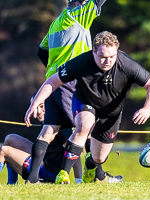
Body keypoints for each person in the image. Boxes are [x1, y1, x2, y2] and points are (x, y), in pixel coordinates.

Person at [25, 31, 150, 184]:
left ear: (117, 50)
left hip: (111, 112)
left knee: (99, 157)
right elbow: (53, 81)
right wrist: (36, 102)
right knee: (84, 125)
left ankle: (91, 168)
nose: (107, 61)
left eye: (111, 57)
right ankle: (63, 174)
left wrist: (147, 108)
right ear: (94, 51)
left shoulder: (126, 64)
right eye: (103, 57)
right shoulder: (81, 62)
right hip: (85, 101)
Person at [27, 0, 119, 184]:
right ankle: (98, 176)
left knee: (48, 131)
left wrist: (55, 71)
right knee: (87, 125)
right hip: (69, 82)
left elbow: (41, 51)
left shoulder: (56, 22)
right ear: (79, 2)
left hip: (54, 82)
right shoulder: (77, 16)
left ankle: (32, 179)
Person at [0, 97, 82, 184]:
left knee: (3, 151)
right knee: (10, 138)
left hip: (49, 173)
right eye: (35, 107)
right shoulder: (48, 122)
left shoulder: (59, 125)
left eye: (42, 106)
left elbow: (72, 151)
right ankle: (12, 183)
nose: (39, 111)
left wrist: (78, 180)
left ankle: (28, 179)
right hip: (43, 160)